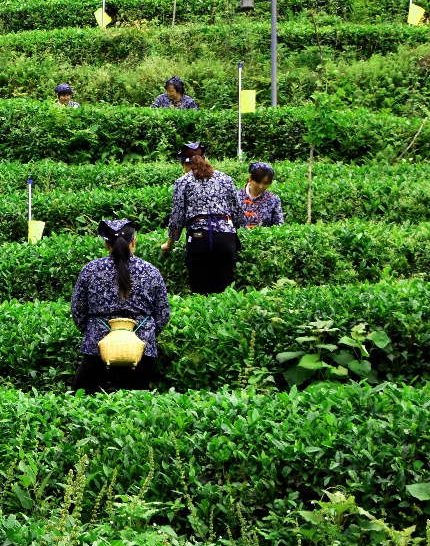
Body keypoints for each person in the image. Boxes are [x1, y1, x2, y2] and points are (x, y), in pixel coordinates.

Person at [70, 218, 170, 393]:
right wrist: (144, 334)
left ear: (106, 244)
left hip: (97, 346)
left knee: (79, 398)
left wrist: (94, 332)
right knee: (139, 407)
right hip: (141, 347)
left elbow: (78, 311)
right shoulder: (150, 271)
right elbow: (163, 314)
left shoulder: (90, 270)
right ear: (134, 242)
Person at [161, 141, 246, 294]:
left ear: (184, 165)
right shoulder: (225, 179)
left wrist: (169, 244)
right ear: (205, 159)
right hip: (226, 240)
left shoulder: (183, 182)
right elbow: (239, 214)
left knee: (200, 294)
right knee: (224, 296)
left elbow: (177, 218)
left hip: (199, 241)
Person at [240, 161, 285, 228]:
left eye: (265, 183)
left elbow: (279, 226)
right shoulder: (235, 196)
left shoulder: (274, 200)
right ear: (250, 178)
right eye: (257, 182)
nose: (261, 186)